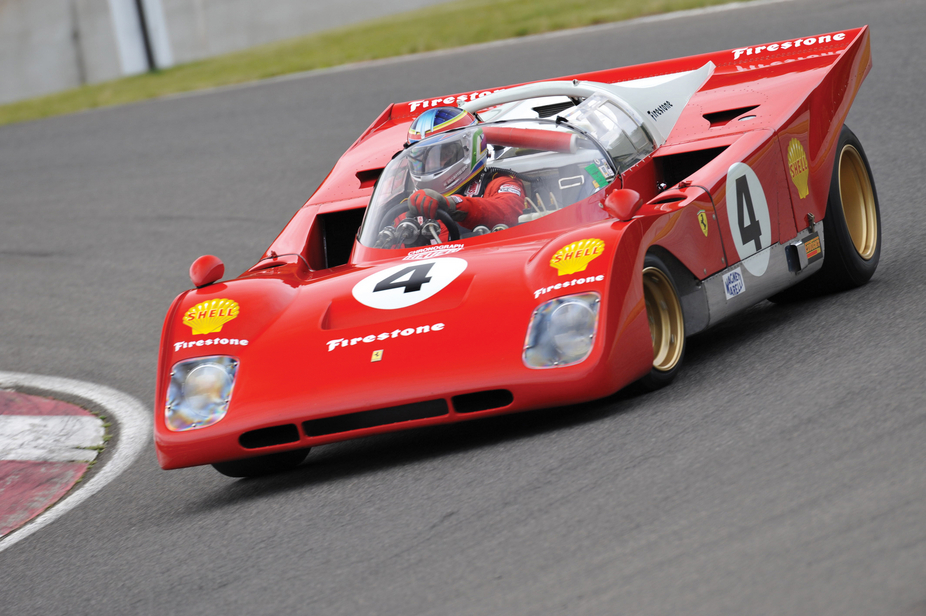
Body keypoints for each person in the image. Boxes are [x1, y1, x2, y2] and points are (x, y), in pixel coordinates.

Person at [403, 107, 525, 237]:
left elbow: (506, 212)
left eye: (444, 154)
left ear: (471, 147)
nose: (430, 164)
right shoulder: (406, 205)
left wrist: (452, 205)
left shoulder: (500, 183)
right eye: (420, 157)